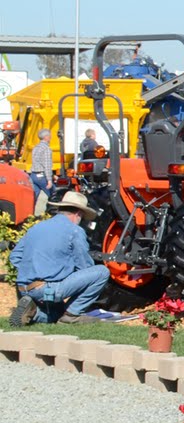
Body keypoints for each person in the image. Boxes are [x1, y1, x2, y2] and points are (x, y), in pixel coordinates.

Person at [8, 191, 110, 326]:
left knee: (56, 315)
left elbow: (14, 257)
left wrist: (33, 271)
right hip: (48, 288)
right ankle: (72, 315)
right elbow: (85, 267)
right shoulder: (75, 231)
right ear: (78, 214)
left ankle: (32, 312)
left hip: (24, 288)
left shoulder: (37, 227)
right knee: (101, 272)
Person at [29, 129, 53, 194]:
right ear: (46, 137)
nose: (51, 137)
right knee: (54, 195)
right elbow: (47, 165)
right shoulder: (46, 149)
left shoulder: (35, 147)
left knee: (33, 197)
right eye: (50, 136)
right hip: (41, 176)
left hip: (33, 175)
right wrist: (49, 180)